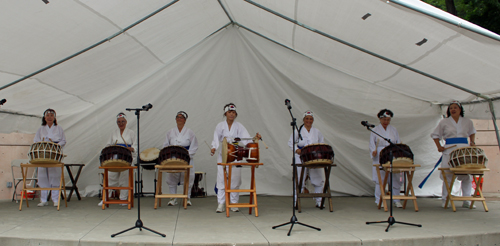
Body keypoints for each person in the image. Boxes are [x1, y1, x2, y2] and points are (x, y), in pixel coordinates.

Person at [210, 103, 261, 213]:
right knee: (221, 180)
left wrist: (254, 139)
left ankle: (233, 203)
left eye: (233, 113)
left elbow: (246, 140)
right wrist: (214, 147)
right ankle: (221, 203)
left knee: (235, 179)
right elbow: (215, 138)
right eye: (229, 112)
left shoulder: (239, 126)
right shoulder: (220, 126)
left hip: (235, 154)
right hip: (223, 155)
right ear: (225, 113)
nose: (231, 114)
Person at [431, 100, 476, 208]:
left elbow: (472, 132)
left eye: (455, 107)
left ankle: (467, 199)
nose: (453, 109)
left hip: (463, 150)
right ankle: (445, 199)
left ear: (460, 109)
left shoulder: (467, 121)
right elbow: (435, 135)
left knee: (466, 174)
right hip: (449, 149)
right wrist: (439, 147)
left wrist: (473, 143)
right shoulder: (444, 122)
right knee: (448, 174)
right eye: (451, 108)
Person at [288, 110, 326, 208]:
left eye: (311, 119)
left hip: (314, 158)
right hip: (300, 157)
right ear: (304, 120)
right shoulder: (298, 131)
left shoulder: (317, 132)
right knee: (299, 178)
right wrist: (297, 150)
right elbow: (290, 142)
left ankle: (319, 201)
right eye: (307, 118)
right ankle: (296, 202)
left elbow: (322, 143)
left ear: (313, 120)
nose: (309, 120)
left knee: (318, 179)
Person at [98, 112, 137, 206]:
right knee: (110, 177)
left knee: (124, 178)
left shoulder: (131, 133)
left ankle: (123, 198)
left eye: (123, 121)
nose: (121, 123)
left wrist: (131, 148)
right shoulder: (113, 133)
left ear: (126, 122)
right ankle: (106, 197)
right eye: (119, 122)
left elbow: (136, 146)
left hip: (126, 158)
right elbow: (108, 145)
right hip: (115, 159)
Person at [369, 109, 403, 208]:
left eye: (388, 120)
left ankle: (396, 199)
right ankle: (379, 199)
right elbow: (372, 143)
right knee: (381, 178)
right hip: (380, 154)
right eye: (384, 119)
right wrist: (373, 151)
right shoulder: (375, 130)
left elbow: (398, 142)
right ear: (380, 119)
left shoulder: (393, 130)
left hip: (392, 153)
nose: (386, 122)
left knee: (396, 177)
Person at [163, 111, 198, 206]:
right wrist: (169, 156)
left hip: (186, 158)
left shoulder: (190, 132)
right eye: (177, 117)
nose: (179, 119)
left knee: (187, 178)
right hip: (173, 158)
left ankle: (187, 198)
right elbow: (166, 145)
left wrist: (186, 156)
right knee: (172, 178)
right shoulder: (170, 132)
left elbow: (194, 146)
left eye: (181, 117)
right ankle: (172, 198)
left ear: (185, 120)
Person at [34, 109, 66, 207]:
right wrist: (43, 145)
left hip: (54, 153)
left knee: (54, 176)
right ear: (44, 117)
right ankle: (44, 200)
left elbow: (63, 141)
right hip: (43, 153)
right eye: (47, 115)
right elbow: (36, 140)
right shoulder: (41, 129)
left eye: (51, 115)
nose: (49, 117)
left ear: (54, 117)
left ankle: (55, 199)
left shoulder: (59, 128)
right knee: (42, 176)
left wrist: (55, 146)